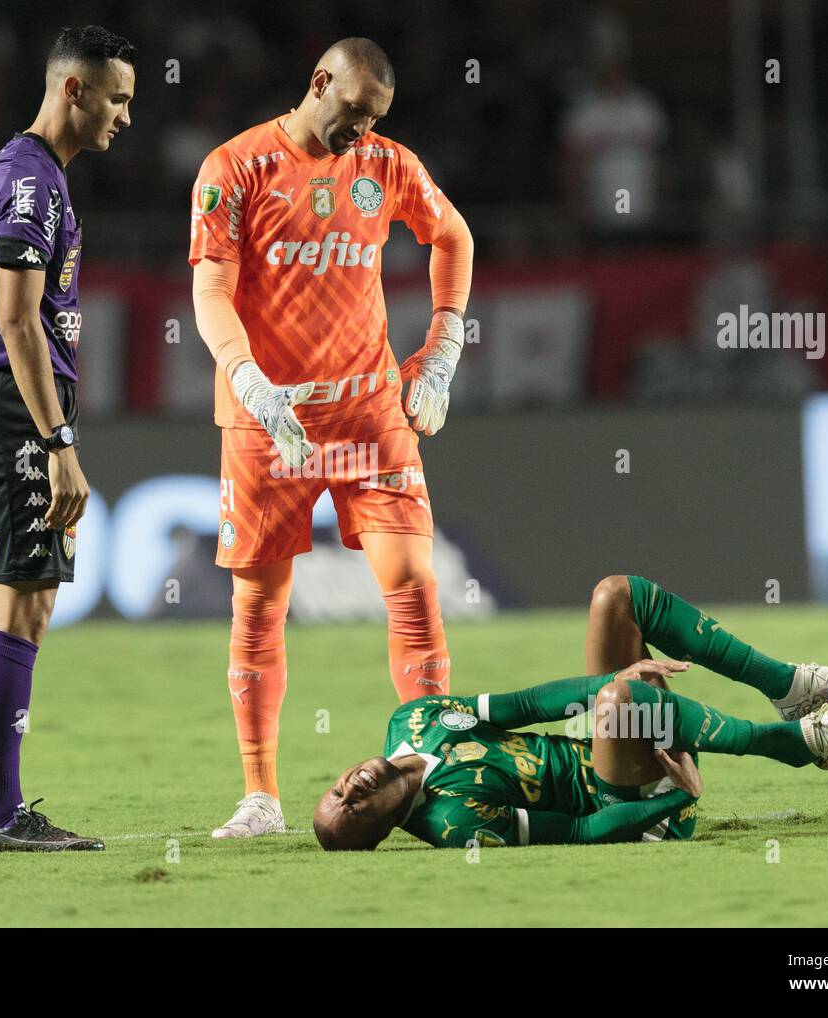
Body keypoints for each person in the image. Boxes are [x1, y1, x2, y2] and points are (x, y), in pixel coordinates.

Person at [189, 37, 475, 840]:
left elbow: (453, 236)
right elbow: (210, 287)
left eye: (374, 118)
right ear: (320, 83)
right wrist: (246, 377)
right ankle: (260, 798)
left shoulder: (386, 165)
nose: (361, 130)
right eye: (353, 112)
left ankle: (431, 767)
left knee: (415, 583)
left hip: (368, 411)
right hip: (265, 418)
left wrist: (443, 346)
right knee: (258, 604)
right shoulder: (235, 168)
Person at [0, 26, 135, 852]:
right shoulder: (30, 188)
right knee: (27, 601)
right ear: (74, 90)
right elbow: (18, 324)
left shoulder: (12, 172)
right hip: (14, 408)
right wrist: (59, 443)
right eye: (117, 98)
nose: (125, 116)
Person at [314, 574, 828, 850]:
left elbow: (529, 705)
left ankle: (791, 687)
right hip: (634, 806)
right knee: (619, 703)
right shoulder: (454, 824)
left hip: (614, 741)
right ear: (385, 828)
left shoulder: (410, 722)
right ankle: (797, 745)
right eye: (357, 809)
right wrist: (683, 793)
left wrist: (611, 677)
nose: (351, 790)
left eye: (337, 793)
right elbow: (582, 830)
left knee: (617, 596)